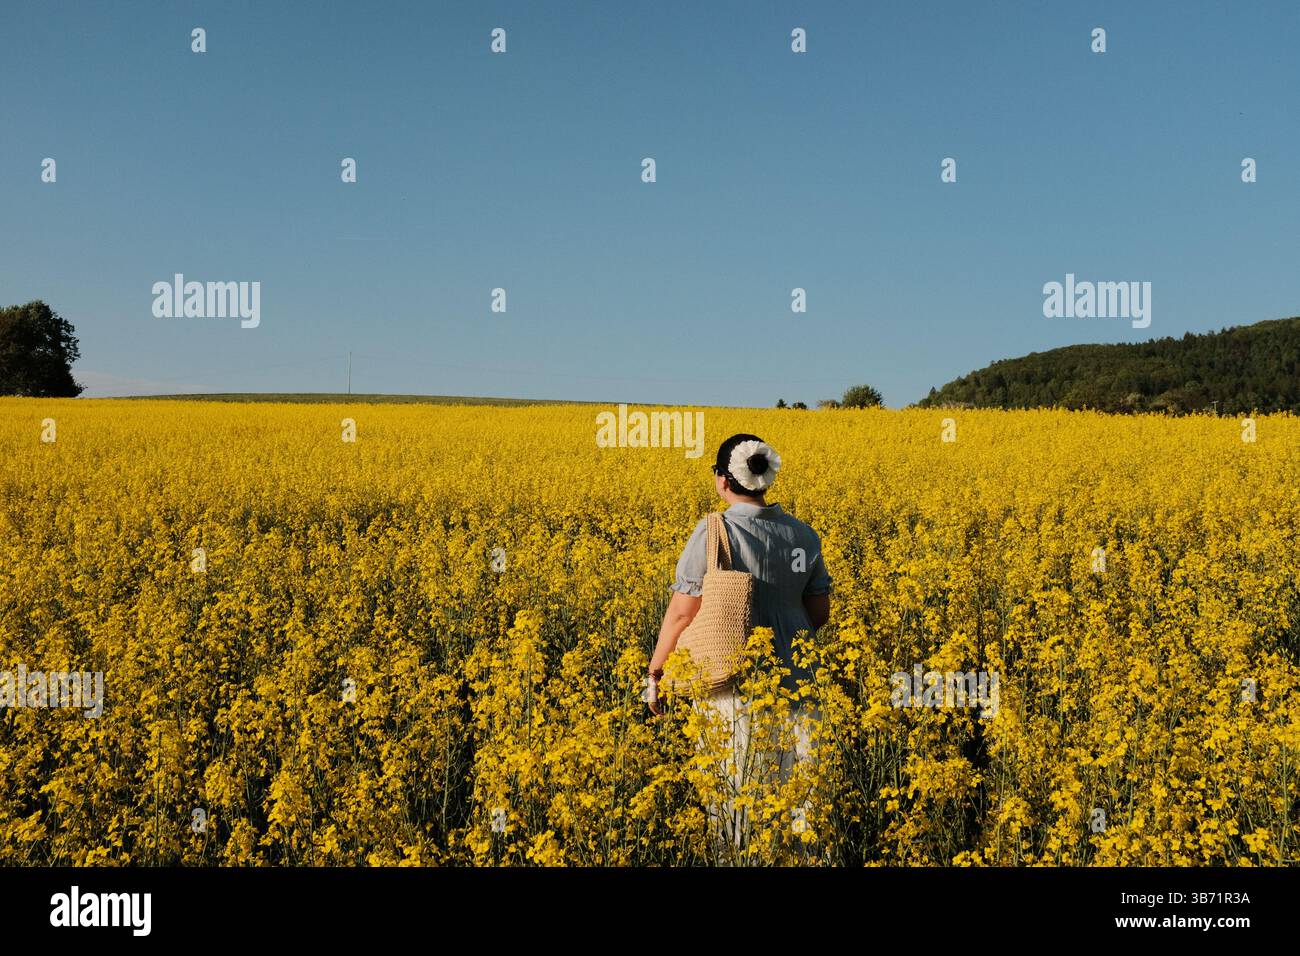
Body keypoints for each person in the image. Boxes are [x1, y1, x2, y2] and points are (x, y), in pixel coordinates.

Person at [646, 433, 832, 859]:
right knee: (800, 809)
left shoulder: (715, 532)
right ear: (765, 479)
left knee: (737, 808)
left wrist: (656, 673)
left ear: (722, 480)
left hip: (731, 686)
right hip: (802, 685)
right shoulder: (803, 536)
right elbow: (818, 613)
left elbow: (681, 614)